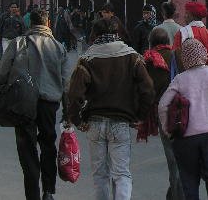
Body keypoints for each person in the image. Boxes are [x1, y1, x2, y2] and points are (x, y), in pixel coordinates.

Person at [65, 17, 154, 200]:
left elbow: (74, 94)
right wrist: (140, 115)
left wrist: (77, 120)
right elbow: (148, 89)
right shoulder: (132, 57)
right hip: (121, 123)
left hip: (95, 124)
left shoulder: (87, 59)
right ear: (117, 33)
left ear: (95, 34)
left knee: (100, 175)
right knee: (121, 174)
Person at [0, 9, 66, 200]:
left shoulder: (18, 43)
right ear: (48, 23)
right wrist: (68, 110)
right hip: (49, 103)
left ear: (30, 24)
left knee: (27, 147)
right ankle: (49, 191)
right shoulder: (58, 47)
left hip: (23, 103)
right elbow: (65, 81)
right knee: (48, 145)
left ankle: (32, 192)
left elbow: (2, 72)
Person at [158, 38, 208, 200]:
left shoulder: (180, 79)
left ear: (184, 58)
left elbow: (162, 106)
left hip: (186, 138)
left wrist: (167, 130)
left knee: (189, 182)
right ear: (204, 54)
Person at [138, 28, 184, 200]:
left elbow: (146, 90)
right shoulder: (177, 55)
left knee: (172, 156)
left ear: (151, 42)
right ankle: (175, 191)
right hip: (181, 108)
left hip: (162, 111)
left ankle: (177, 193)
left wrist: (141, 114)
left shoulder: (148, 59)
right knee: (182, 153)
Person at [172, 1, 208, 82]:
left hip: (188, 80)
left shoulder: (182, 33)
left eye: (185, 13)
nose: (184, 16)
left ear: (189, 15)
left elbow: (175, 59)